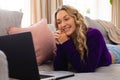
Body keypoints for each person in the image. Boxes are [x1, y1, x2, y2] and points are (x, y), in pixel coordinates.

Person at [53, 5, 120, 73]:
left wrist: (65, 42)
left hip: (114, 53)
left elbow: (87, 68)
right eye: (59, 22)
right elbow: (60, 69)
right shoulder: (65, 38)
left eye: (66, 19)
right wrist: (60, 44)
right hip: (100, 47)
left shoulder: (94, 34)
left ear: (76, 19)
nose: (63, 25)